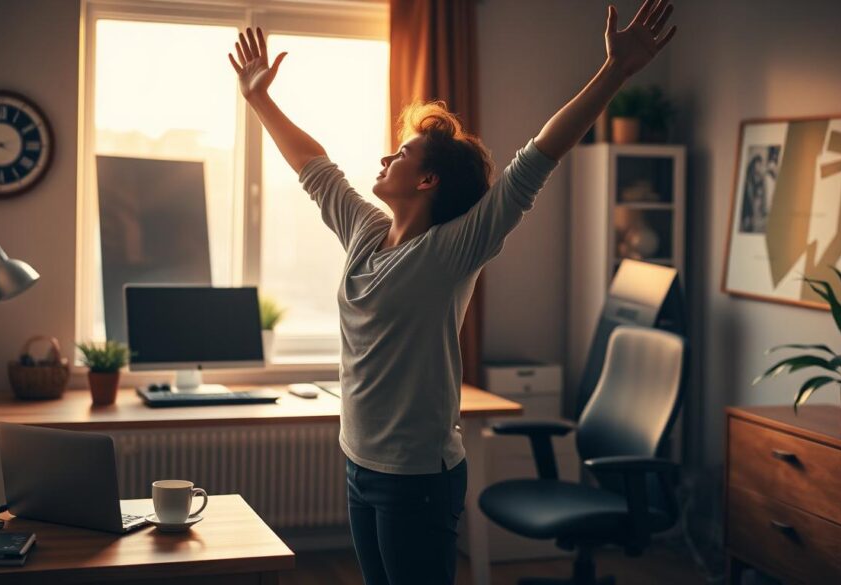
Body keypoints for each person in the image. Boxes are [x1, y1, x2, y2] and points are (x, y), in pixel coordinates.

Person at [227, 2, 676, 583]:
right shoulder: (365, 229)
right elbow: (314, 167)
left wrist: (614, 71)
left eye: (403, 153)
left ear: (428, 179)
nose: (387, 156)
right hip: (358, 460)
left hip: (416, 477)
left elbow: (536, 159)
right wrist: (257, 97)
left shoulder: (453, 250)